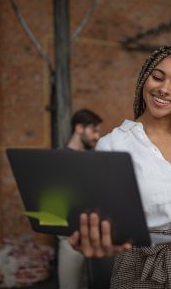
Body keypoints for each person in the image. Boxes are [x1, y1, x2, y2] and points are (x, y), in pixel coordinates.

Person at [69, 45, 171, 288]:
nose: (164, 89)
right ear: (145, 78)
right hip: (137, 273)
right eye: (157, 77)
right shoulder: (113, 144)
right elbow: (97, 219)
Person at [58, 108, 103, 289]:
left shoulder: (93, 158)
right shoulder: (58, 159)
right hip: (69, 238)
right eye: (94, 130)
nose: (97, 136)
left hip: (96, 237)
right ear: (79, 128)